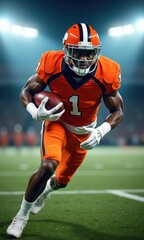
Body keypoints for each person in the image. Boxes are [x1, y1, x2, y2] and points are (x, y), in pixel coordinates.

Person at [6, 22, 124, 238]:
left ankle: (46, 193)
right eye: (78, 52)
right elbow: (26, 91)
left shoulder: (107, 71)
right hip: (57, 123)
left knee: (61, 181)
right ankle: (21, 216)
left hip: (85, 132)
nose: (84, 58)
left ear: (96, 53)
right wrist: (34, 111)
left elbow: (117, 110)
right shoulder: (52, 63)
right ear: (66, 50)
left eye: (89, 53)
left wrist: (101, 131)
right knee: (47, 165)